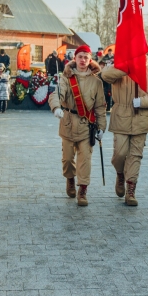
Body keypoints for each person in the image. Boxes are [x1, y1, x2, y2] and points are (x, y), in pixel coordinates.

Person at [48, 45, 107, 206]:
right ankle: (70, 179)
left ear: (90, 60)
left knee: (85, 160)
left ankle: (82, 190)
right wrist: (57, 108)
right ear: (75, 58)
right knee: (67, 159)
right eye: (80, 56)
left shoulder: (96, 82)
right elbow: (57, 94)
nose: (83, 60)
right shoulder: (67, 77)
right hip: (67, 123)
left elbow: (100, 106)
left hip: (86, 126)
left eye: (86, 57)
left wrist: (102, 127)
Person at [100, 58, 148, 206]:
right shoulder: (119, 68)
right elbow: (105, 75)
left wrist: (142, 101)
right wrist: (125, 67)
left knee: (135, 155)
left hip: (141, 118)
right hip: (121, 117)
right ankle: (120, 174)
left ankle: (131, 189)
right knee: (119, 154)